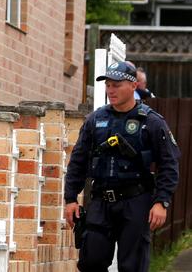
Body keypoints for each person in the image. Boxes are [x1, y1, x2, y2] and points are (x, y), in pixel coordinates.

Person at [64, 61, 180, 272]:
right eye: (108, 85)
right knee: (91, 262)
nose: (110, 90)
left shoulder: (152, 122)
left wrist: (162, 201)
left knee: (132, 266)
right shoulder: (95, 119)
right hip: (100, 201)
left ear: (133, 86)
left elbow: (169, 164)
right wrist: (70, 198)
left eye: (116, 85)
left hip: (136, 201)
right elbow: (78, 161)